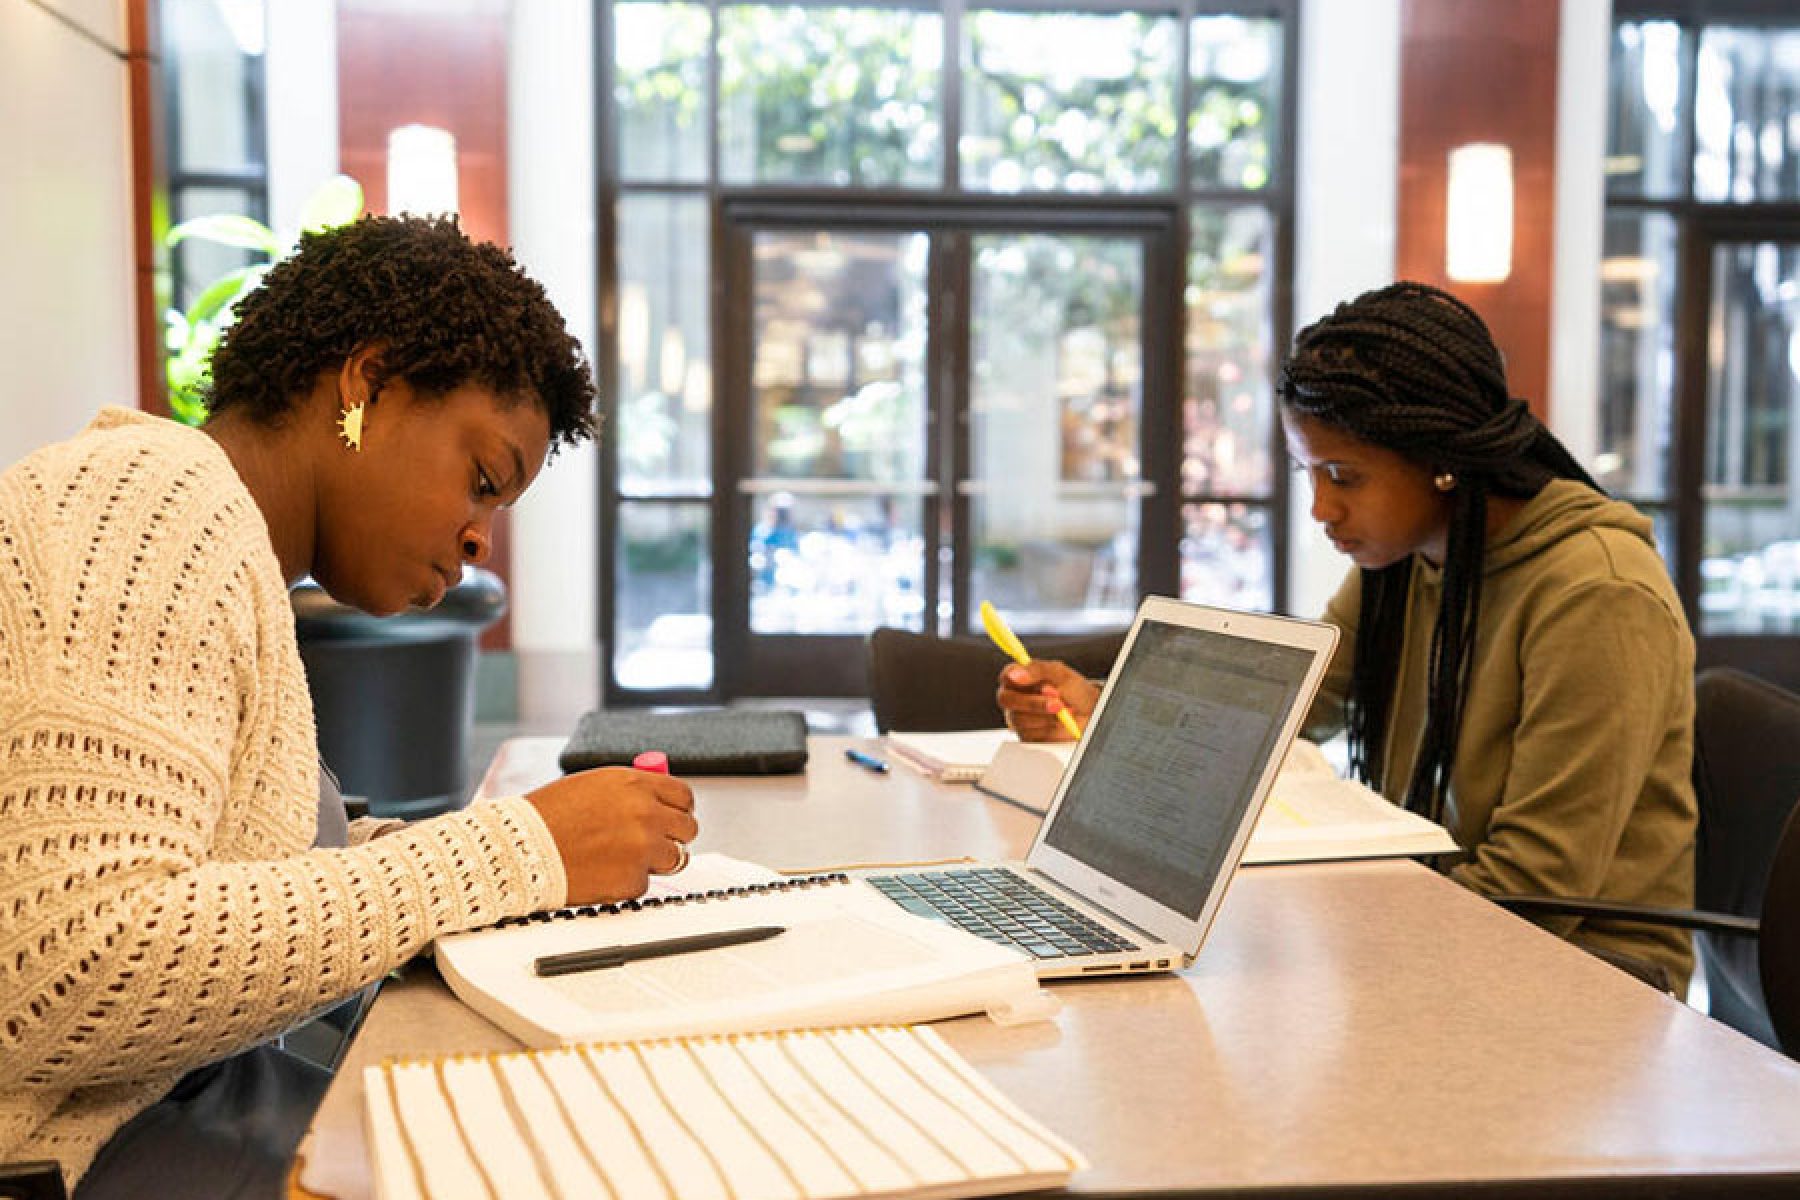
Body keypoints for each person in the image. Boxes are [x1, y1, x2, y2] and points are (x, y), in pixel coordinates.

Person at [0, 215, 699, 1196]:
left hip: (175, 1108)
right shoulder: (151, 501)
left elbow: (256, 862)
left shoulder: (228, 547)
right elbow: (72, 964)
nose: (479, 541)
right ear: (367, 382)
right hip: (75, 1158)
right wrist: (515, 853)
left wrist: (531, 858)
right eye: (483, 480)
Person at [998, 281, 1697, 992]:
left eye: (1344, 476)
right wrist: (1103, 709)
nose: (1321, 508)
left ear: (1439, 460)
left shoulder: (1599, 594)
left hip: (1590, 980)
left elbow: (1535, 887)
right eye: (1310, 471)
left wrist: (1324, 941)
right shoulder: (1411, 559)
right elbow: (1289, 707)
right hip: (1442, 919)